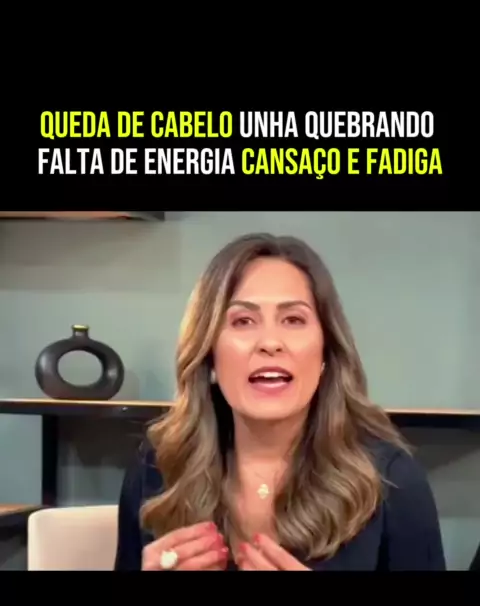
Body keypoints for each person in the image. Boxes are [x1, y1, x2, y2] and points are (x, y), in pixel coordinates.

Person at [115, 232, 446, 571]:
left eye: (293, 320)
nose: (270, 342)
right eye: (243, 321)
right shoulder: (158, 468)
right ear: (209, 352)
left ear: (326, 351)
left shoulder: (392, 480)